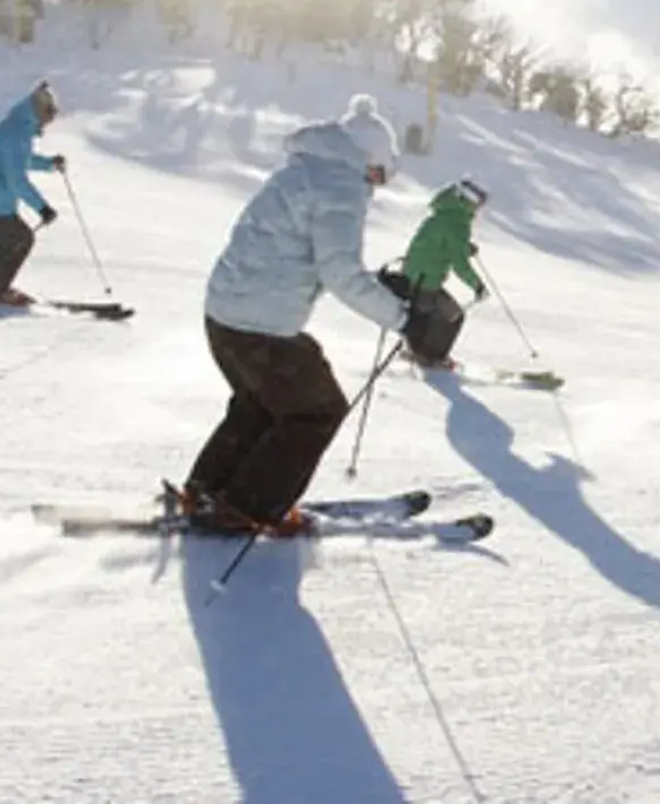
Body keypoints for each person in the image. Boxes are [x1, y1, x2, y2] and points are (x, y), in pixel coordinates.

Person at [178, 95, 425, 536]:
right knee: (316, 411)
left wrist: (384, 292)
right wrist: (402, 318)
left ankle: (206, 489)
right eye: (381, 172)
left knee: (258, 405)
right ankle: (245, 506)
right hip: (259, 326)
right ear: (370, 159)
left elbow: (308, 255)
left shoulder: (306, 170)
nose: (377, 183)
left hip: (224, 315)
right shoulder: (340, 185)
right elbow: (338, 270)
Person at [0, 80, 65, 305]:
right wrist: (43, 208)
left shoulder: (19, 125)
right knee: (19, 239)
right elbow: (16, 179)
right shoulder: (18, 133)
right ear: (41, 111)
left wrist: (48, 164)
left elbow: (18, 162)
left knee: (11, 240)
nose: (49, 122)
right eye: (50, 116)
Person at [379, 177, 490, 371]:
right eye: (478, 201)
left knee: (428, 318)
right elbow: (460, 265)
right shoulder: (457, 223)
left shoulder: (444, 213)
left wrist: (464, 247)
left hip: (412, 276)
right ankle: (430, 359)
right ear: (467, 200)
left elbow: (440, 242)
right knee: (452, 316)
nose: (479, 207)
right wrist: (477, 286)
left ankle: (419, 353)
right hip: (425, 281)